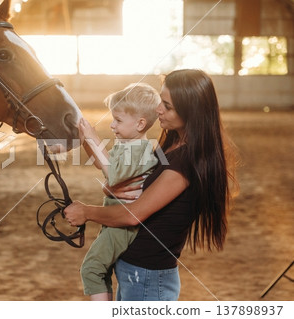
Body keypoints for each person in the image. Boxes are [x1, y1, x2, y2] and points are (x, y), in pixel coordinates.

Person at [65, 69, 238, 301]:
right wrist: (111, 188)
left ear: (190, 112)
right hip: (135, 270)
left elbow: (132, 216)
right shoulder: (171, 144)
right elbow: (139, 182)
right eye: (161, 101)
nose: (158, 110)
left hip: (147, 277)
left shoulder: (185, 162)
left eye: (167, 106)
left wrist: (86, 212)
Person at [78, 83, 161, 301]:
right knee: (99, 268)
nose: (113, 125)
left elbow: (112, 174)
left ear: (140, 123)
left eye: (118, 120)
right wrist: (83, 138)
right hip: (114, 218)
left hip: (123, 225)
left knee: (92, 268)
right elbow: (102, 164)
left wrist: (93, 137)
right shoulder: (127, 144)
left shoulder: (139, 150)